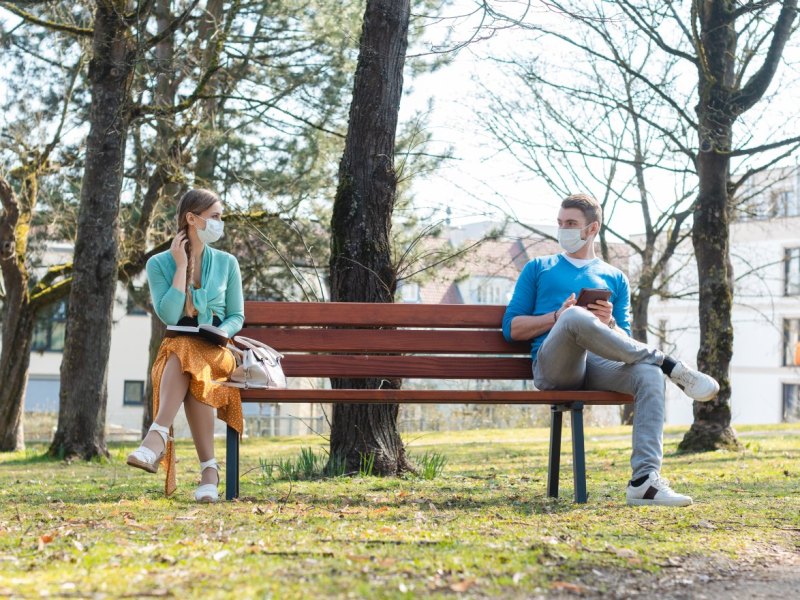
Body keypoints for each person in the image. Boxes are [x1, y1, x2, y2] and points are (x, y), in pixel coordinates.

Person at [503, 193, 719, 507]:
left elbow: (625, 344)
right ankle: (667, 362)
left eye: (571, 223)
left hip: (598, 366)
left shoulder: (615, 277)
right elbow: (511, 328)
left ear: (592, 229)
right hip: (554, 368)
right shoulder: (539, 267)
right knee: (577, 315)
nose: (563, 229)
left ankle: (644, 482)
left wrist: (611, 324)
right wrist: (557, 318)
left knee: (647, 374)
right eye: (561, 223)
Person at [127, 189, 244, 503]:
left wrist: (221, 332)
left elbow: (237, 315)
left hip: (218, 349)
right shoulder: (158, 264)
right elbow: (167, 314)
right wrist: (181, 268)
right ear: (192, 218)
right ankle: (210, 471)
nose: (220, 223)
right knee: (186, 357)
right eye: (215, 217)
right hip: (179, 348)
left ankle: (156, 437)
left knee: (187, 356)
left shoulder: (227, 263)